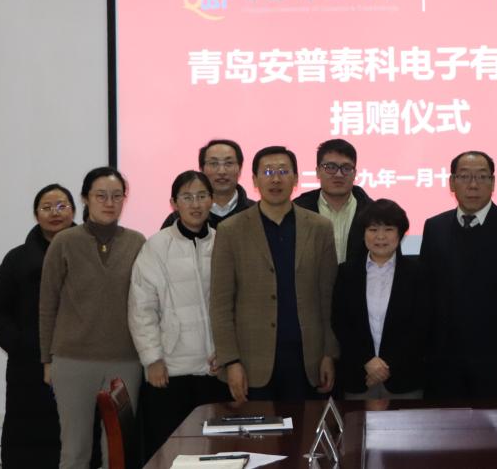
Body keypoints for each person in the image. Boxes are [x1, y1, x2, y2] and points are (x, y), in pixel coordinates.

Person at [209, 145, 339, 401]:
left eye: (283, 171)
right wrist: (231, 361)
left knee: (305, 426)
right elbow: (221, 303)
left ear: (296, 178)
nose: (276, 179)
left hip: (307, 359)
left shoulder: (320, 227)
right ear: (255, 180)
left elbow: (328, 297)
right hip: (252, 362)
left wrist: (329, 353)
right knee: (259, 428)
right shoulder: (231, 230)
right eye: (268, 172)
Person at [39, 167, 145, 469]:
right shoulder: (64, 242)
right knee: (75, 451)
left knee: (118, 453)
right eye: (101, 196)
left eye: (117, 196)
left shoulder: (137, 242)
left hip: (125, 359)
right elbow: (47, 304)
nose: (109, 203)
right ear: (86, 198)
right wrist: (47, 359)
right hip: (73, 360)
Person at [128, 171, 230, 462]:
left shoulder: (223, 242)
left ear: (211, 200)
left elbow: (235, 303)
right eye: (187, 197)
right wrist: (153, 359)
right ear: (174, 203)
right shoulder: (156, 246)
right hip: (170, 370)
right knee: (172, 452)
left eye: (201, 196)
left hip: (215, 369)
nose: (195, 204)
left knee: (216, 451)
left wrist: (228, 352)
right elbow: (142, 307)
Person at [419, 150, 497, 398]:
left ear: (492, 183)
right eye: (464, 176)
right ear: (452, 183)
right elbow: (427, 294)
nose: (473, 185)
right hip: (444, 359)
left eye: (482, 177)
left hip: (496, 358)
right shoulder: (435, 227)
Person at [0, 184, 76, 469]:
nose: (55, 213)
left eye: (61, 206)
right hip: (29, 369)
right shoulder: (18, 259)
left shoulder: (89, 252)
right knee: (29, 446)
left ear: (74, 211)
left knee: (78, 441)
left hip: (82, 364)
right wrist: (21, 344)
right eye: (47, 207)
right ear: (36, 215)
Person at [331, 199, 429, 399]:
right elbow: (340, 323)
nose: (380, 237)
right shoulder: (346, 273)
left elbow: (421, 326)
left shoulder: (418, 274)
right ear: (363, 233)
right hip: (358, 377)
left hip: (404, 378)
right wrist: (367, 361)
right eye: (373, 229)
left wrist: (386, 366)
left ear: (401, 234)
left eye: (389, 229)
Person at [294, 138, 373, 263]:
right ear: (318, 172)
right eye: (330, 167)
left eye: (346, 168)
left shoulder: (372, 212)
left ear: (354, 173)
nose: (338, 174)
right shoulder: (297, 210)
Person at [162, 139, 253, 229]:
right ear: (202, 169)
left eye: (229, 163)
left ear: (240, 169)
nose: (221, 171)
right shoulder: (178, 219)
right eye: (214, 163)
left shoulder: (256, 213)